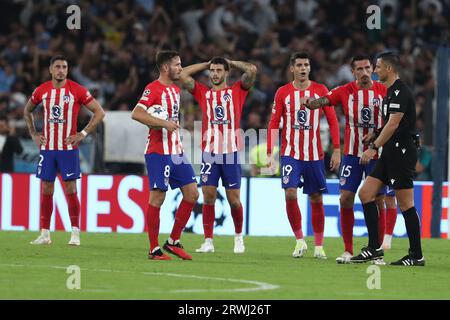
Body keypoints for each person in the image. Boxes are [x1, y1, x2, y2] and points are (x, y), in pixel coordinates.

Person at [302, 55, 387, 263]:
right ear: (353, 72)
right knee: (345, 198)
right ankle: (348, 250)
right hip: (351, 154)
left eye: (368, 68)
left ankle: (377, 250)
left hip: (377, 153)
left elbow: (392, 120)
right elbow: (325, 100)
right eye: (360, 69)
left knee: (378, 200)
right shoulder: (345, 91)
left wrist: (376, 135)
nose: (365, 72)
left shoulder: (383, 91)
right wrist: (312, 104)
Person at [351, 52, 425, 266]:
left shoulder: (401, 92)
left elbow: (394, 125)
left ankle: (416, 255)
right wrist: (375, 133)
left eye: (378, 67)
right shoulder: (390, 92)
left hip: (402, 152)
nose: (374, 71)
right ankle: (375, 248)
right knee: (366, 193)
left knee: (406, 204)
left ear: (390, 69)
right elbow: (389, 124)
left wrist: (373, 147)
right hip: (390, 152)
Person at [24, 55, 105, 246]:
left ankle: (75, 233)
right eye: (58, 67)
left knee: (70, 188)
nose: (61, 70)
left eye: (65, 67)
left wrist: (83, 133)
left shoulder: (77, 90)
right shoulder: (42, 90)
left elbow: (99, 112)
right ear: (51, 70)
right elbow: (27, 110)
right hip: (48, 149)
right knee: (46, 188)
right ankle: (45, 234)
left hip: (68, 149)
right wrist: (34, 134)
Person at [179, 56, 257, 254]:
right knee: (208, 196)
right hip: (210, 154)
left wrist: (231, 61)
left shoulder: (237, 91)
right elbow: (181, 74)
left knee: (234, 200)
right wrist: (205, 64)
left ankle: (239, 238)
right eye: (212, 71)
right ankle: (208, 241)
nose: (214, 74)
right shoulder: (203, 93)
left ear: (226, 72)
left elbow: (252, 70)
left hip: (230, 153)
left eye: (219, 70)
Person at [267, 52, 341, 259]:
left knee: (316, 197)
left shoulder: (320, 90)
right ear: (292, 69)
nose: (303, 68)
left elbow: (333, 120)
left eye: (306, 65)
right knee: (290, 193)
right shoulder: (282, 93)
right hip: (290, 153)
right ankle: (300, 240)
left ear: (309, 68)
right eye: (299, 65)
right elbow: (273, 123)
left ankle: (319, 245)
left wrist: (336, 148)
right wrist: (270, 153)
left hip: (314, 154)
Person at [131, 50, 199, 261]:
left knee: (192, 194)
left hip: (176, 150)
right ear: (165, 68)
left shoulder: (174, 88)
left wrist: (205, 64)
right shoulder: (153, 89)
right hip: (158, 152)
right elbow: (137, 113)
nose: (180, 68)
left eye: (181, 64)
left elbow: (186, 72)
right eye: (177, 64)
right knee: (158, 197)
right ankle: (153, 249)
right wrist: (164, 123)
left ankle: (173, 241)